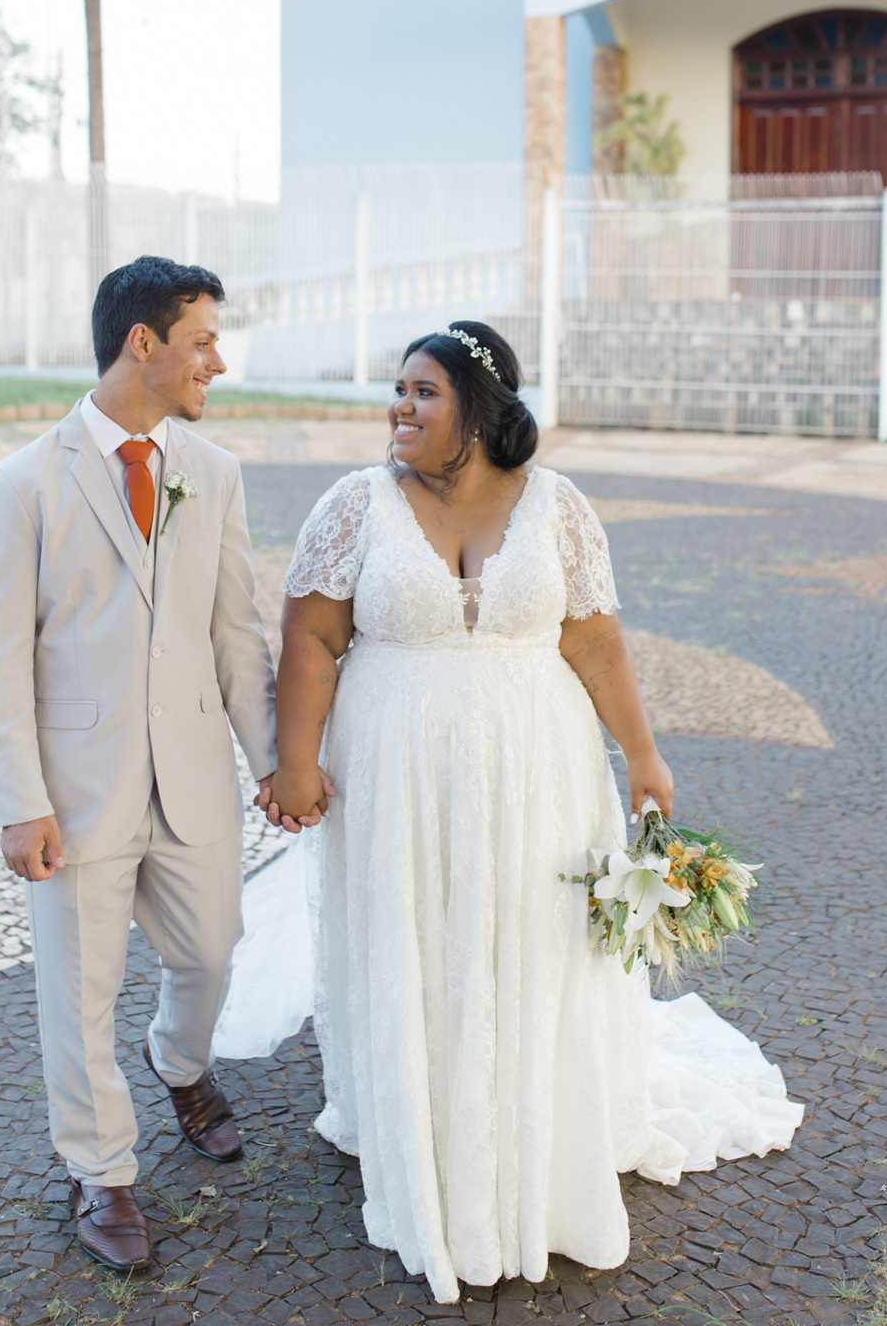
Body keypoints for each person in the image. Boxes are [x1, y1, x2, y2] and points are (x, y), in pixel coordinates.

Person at [247, 321, 802, 1304]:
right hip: (397, 774)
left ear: (479, 408)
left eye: (423, 391)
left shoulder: (558, 505)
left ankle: (537, 1132)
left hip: (540, 769)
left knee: (531, 939)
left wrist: (643, 754)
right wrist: (296, 762)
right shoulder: (356, 504)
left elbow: (595, 643)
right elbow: (309, 638)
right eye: (399, 389)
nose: (400, 407)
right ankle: (427, 1126)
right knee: (420, 935)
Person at [0, 256, 276, 1275]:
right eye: (202, 342)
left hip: (191, 776)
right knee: (79, 992)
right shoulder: (22, 484)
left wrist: (275, 763)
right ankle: (101, 1172)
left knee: (213, 953)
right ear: (143, 343)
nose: (216, 363)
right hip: (75, 791)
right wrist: (19, 802)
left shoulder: (212, 473)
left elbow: (236, 634)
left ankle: (179, 1062)